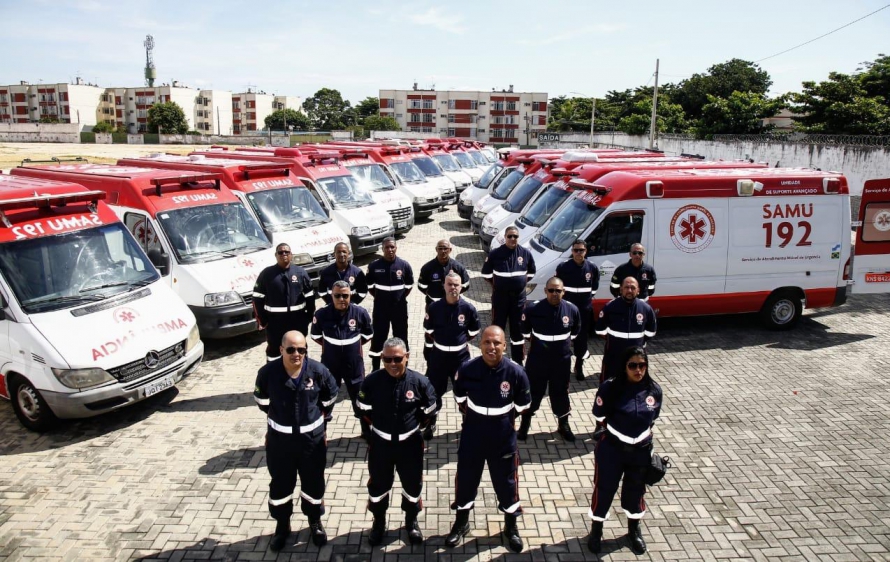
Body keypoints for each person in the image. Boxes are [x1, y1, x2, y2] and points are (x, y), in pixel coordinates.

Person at [445, 326, 531, 553]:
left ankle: (510, 527)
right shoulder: (467, 369)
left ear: (504, 345)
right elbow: (460, 398)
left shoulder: (516, 373)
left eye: (497, 343)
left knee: (507, 483)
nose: (491, 347)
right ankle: (461, 523)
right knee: (466, 479)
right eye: (487, 342)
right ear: (480, 344)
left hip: (502, 437)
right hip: (473, 434)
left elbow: (523, 407)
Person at [253, 331, 339, 551]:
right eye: (290, 349)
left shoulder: (318, 371)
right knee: (281, 484)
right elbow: (262, 401)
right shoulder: (268, 373)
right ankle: (282, 526)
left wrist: (319, 422)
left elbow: (330, 398)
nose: (296, 354)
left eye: (301, 349)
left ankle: (314, 522)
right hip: (280, 442)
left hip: (311, 441)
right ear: (281, 350)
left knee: (313, 483)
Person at [357, 337, 437, 546]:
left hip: (410, 445)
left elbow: (429, 412)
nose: (393, 364)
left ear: (407, 357)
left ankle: (411, 522)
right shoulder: (372, 382)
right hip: (381, 445)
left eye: (397, 359)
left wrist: (413, 429)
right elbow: (364, 411)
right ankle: (378, 523)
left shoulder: (420, 383)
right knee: (378, 486)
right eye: (387, 359)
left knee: (412, 485)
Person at [587, 346, 662, 555]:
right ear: (624, 366)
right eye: (633, 365)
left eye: (642, 365)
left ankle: (633, 530)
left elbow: (652, 419)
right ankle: (596, 531)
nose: (638, 370)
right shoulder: (609, 388)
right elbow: (600, 416)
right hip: (612, 450)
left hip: (640, 452)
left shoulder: (654, 390)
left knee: (635, 491)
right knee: (604, 489)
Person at [518, 276, 581, 442]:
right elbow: (525, 332)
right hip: (538, 360)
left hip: (561, 361)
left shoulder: (572, 310)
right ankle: (525, 423)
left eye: (558, 290)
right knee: (532, 391)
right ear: (545, 291)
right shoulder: (532, 309)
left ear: (563, 292)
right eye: (551, 290)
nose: (555, 293)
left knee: (560, 391)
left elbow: (575, 332)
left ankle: (563, 424)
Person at [310, 281, 374, 438]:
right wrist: (333, 346)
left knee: (360, 397)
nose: (341, 299)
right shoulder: (321, 314)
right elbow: (316, 335)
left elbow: (368, 334)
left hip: (354, 365)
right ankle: (321, 430)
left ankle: (365, 429)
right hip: (330, 364)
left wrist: (351, 347)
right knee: (325, 396)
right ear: (331, 296)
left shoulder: (360, 313)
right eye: (337, 295)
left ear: (350, 295)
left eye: (345, 295)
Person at [422, 271, 480, 437]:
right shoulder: (434, 307)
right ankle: (431, 422)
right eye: (450, 284)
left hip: (460, 358)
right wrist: (444, 342)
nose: (453, 287)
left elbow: (474, 331)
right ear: (444, 285)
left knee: (464, 390)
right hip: (438, 356)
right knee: (433, 391)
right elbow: (429, 330)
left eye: (456, 284)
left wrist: (458, 342)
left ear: (461, 287)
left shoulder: (468, 308)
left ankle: (466, 421)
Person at [481, 225, 536, 365]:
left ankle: (518, 361)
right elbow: (485, 273)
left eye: (515, 236)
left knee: (517, 330)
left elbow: (531, 272)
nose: (512, 239)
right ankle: (495, 359)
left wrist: (520, 283)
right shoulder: (495, 254)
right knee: (497, 329)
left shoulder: (525, 254)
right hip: (500, 299)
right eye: (510, 236)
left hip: (518, 300)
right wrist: (498, 285)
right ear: (505, 237)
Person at [253, 243, 315, 360]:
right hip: (275, 323)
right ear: (275, 255)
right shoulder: (266, 274)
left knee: (299, 348)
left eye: (287, 252)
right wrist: (262, 320)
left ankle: (302, 374)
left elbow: (310, 296)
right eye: (280, 252)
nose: (284, 254)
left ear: (291, 255)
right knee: (274, 350)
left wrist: (309, 317)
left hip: (297, 321)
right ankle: (273, 376)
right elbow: (257, 298)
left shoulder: (300, 273)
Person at [595, 277, 657, 384]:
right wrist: (613, 341)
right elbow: (599, 330)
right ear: (621, 290)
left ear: (638, 290)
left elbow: (651, 331)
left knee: (635, 388)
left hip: (636, 359)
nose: (629, 290)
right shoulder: (610, 307)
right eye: (626, 287)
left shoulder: (646, 309)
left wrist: (639, 342)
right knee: (609, 387)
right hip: (614, 356)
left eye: (632, 288)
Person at [366, 237, 414, 371]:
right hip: (381, 310)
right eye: (387, 247)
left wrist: (397, 298)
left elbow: (409, 286)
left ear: (396, 248)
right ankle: (375, 369)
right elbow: (370, 287)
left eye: (392, 247)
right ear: (382, 249)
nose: (390, 250)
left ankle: (404, 367)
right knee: (378, 337)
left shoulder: (404, 266)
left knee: (401, 337)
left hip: (399, 309)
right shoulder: (374, 266)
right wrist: (382, 298)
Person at [555, 239, 600, 380]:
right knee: (564, 338)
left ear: (586, 251)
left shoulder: (592, 268)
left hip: (584, 312)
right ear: (572, 251)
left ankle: (579, 366)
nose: (578, 253)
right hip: (566, 311)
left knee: (581, 340)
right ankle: (562, 366)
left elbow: (594, 289)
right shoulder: (563, 267)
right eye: (576, 250)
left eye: (581, 250)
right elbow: (558, 288)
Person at [417, 239, 470, 307]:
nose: (443, 251)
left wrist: (454, 295)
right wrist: (432, 294)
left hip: (452, 305)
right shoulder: (427, 268)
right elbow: (421, 286)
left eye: (445, 248)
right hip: (433, 304)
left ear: (450, 250)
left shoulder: (458, 268)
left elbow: (466, 285)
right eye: (440, 248)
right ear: (436, 249)